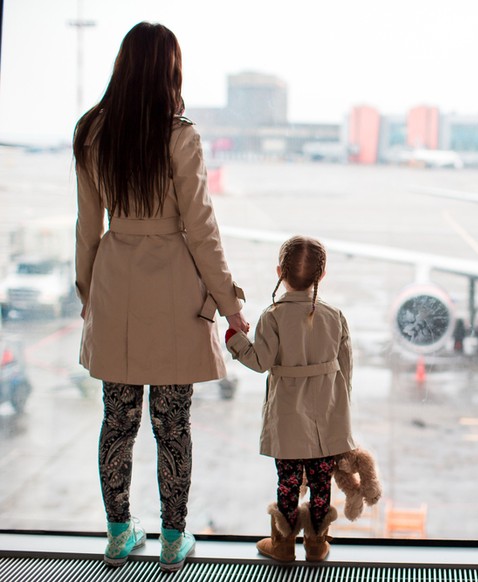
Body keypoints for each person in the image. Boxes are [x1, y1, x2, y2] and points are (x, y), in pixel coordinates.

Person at [73, 22, 249, 573]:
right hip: (173, 288)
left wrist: (87, 292)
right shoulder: (179, 135)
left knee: (117, 421)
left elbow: (86, 226)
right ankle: (174, 542)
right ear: (169, 70)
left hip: (115, 282)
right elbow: (201, 229)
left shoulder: (92, 130)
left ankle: (119, 535)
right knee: (172, 425)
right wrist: (230, 302)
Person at [225, 235, 354, 562]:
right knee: (322, 481)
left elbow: (260, 363)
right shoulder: (334, 315)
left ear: (279, 271)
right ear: (321, 276)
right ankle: (316, 544)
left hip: (287, 418)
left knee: (288, 481)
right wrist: (342, 409)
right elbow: (346, 368)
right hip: (326, 415)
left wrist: (236, 342)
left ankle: (282, 544)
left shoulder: (272, 315)